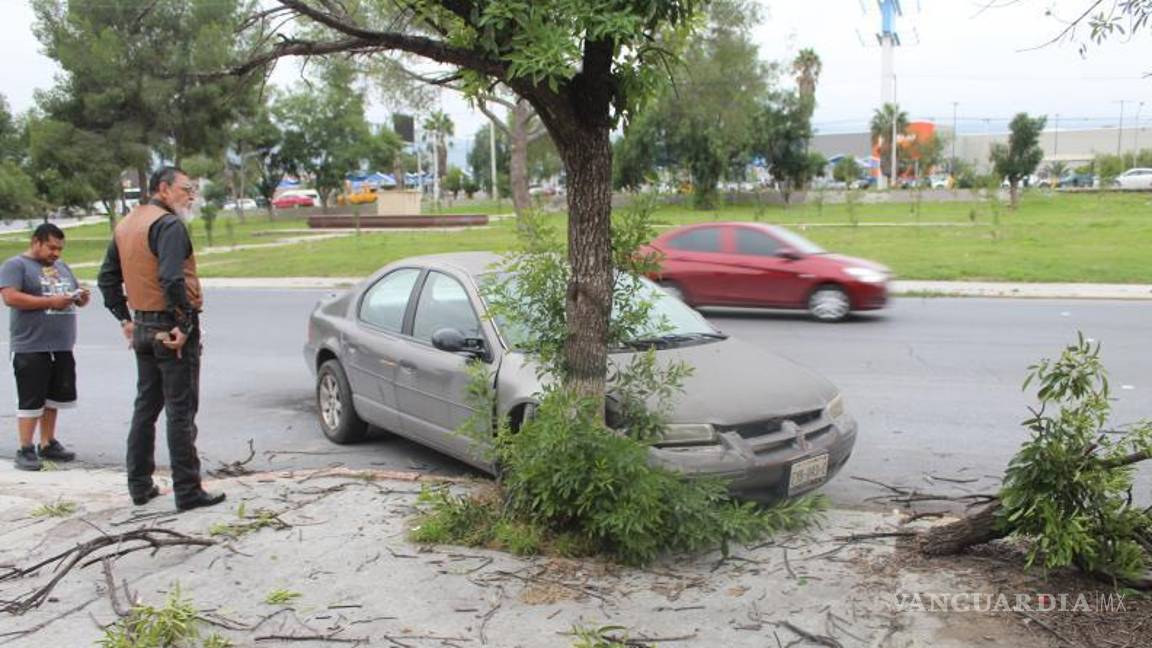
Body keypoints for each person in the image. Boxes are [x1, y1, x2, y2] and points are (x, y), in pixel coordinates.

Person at [97, 166, 225, 511]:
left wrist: (125, 319)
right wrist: (182, 325)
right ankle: (188, 490)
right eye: (186, 188)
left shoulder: (126, 225)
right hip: (169, 328)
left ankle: (139, 484)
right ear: (164, 188)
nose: (191, 196)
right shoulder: (167, 225)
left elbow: (106, 280)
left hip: (142, 325)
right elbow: (171, 279)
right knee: (180, 411)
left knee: (146, 407)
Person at [1, 223, 88, 471]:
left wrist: (80, 297)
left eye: (60, 249)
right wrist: (50, 301)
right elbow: (10, 297)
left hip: (60, 345)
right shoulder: (16, 266)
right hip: (31, 345)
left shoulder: (60, 268)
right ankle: (25, 448)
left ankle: (47, 442)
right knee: (31, 398)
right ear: (36, 242)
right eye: (51, 247)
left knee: (53, 397)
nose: (56, 253)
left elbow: (71, 294)